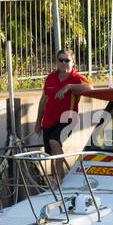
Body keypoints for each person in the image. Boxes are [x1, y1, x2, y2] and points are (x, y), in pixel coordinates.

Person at [34, 50, 92, 181]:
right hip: (49, 120)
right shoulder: (50, 77)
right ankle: (57, 180)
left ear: (73, 62)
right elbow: (43, 100)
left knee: (54, 142)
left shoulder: (76, 78)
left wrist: (69, 87)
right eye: (60, 60)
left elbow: (90, 88)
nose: (63, 63)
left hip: (68, 119)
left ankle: (58, 181)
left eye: (67, 60)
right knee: (53, 152)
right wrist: (38, 123)